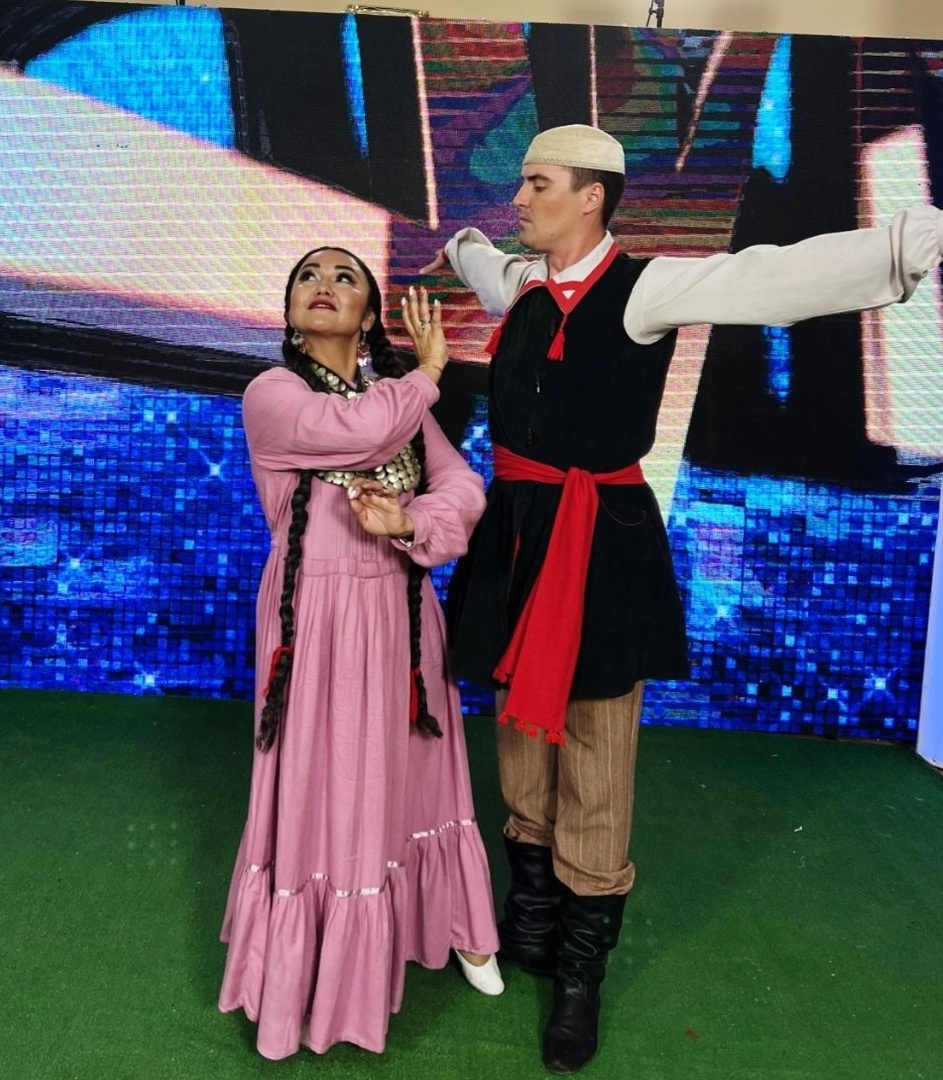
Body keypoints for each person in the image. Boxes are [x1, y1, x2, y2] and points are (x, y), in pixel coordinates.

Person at [422, 123, 943, 1075]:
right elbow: (482, 264)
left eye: (537, 183)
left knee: (595, 743)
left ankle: (578, 976)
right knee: (517, 732)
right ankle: (528, 919)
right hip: (519, 537)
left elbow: (774, 277)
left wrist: (905, 245)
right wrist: (453, 246)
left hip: (599, 543)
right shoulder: (523, 282)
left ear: (591, 196)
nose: (519, 198)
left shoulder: (649, 287)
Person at [217, 246, 503, 1061]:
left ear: (371, 315)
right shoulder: (274, 394)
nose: (323, 285)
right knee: (329, 780)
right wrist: (430, 373)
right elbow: (357, 430)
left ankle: (453, 926)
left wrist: (408, 523)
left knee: (416, 772)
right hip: (316, 618)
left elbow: (462, 489)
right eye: (307, 275)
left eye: (345, 277)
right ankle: (310, 977)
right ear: (289, 313)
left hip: (400, 613)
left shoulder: (398, 402)